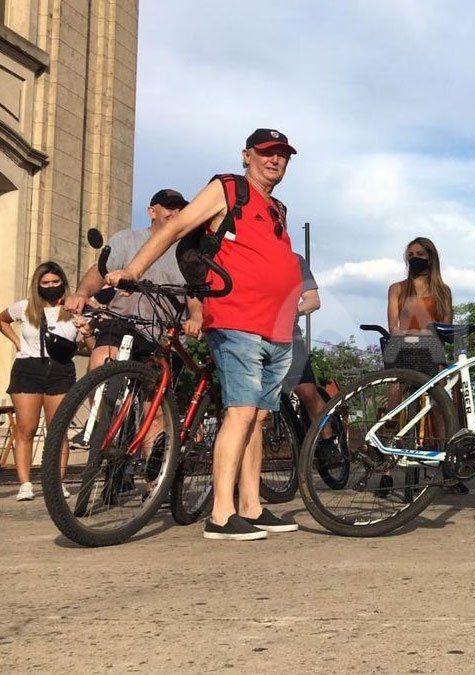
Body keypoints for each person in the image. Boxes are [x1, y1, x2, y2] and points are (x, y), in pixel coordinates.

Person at [105, 128, 304, 540]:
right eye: (267, 153)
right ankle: (220, 514)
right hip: (237, 318)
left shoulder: (278, 208)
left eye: (283, 154)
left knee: (258, 417)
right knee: (241, 411)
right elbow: (177, 229)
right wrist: (135, 270)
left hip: (276, 326)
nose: (275, 160)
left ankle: (251, 505)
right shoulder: (228, 188)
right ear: (247, 155)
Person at [67, 189, 196, 365]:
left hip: (165, 335)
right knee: (102, 362)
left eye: (180, 209)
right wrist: (82, 293)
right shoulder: (127, 239)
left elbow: (193, 291)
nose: (175, 213)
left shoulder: (189, 252)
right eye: (169, 208)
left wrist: (196, 317)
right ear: (152, 211)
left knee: (153, 389)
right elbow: (100, 270)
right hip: (123, 322)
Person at [386, 237, 465, 494]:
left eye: (419, 253)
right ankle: (385, 465)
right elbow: (394, 329)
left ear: (430, 257)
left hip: (431, 350)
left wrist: (423, 335)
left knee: (440, 405)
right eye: (410, 254)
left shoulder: (443, 291)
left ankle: (446, 467)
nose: (414, 258)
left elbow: (445, 327)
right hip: (403, 349)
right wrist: (423, 333)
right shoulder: (397, 288)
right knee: (394, 399)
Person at [1, 262, 79, 500]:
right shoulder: (25, 307)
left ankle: (57, 482)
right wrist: (16, 342)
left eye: (56, 282)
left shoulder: (73, 309)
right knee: (27, 428)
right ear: (37, 285)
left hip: (61, 369)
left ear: (63, 283)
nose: (51, 286)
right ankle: (25, 483)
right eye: (46, 283)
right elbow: (2, 320)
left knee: (58, 429)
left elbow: (87, 341)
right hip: (28, 368)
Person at [281, 253, 337, 457]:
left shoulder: (295, 260)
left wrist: (291, 311)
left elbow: (313, 300)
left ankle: (328, 440)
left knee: (306, 391)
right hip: (256, 337)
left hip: (288, 336)